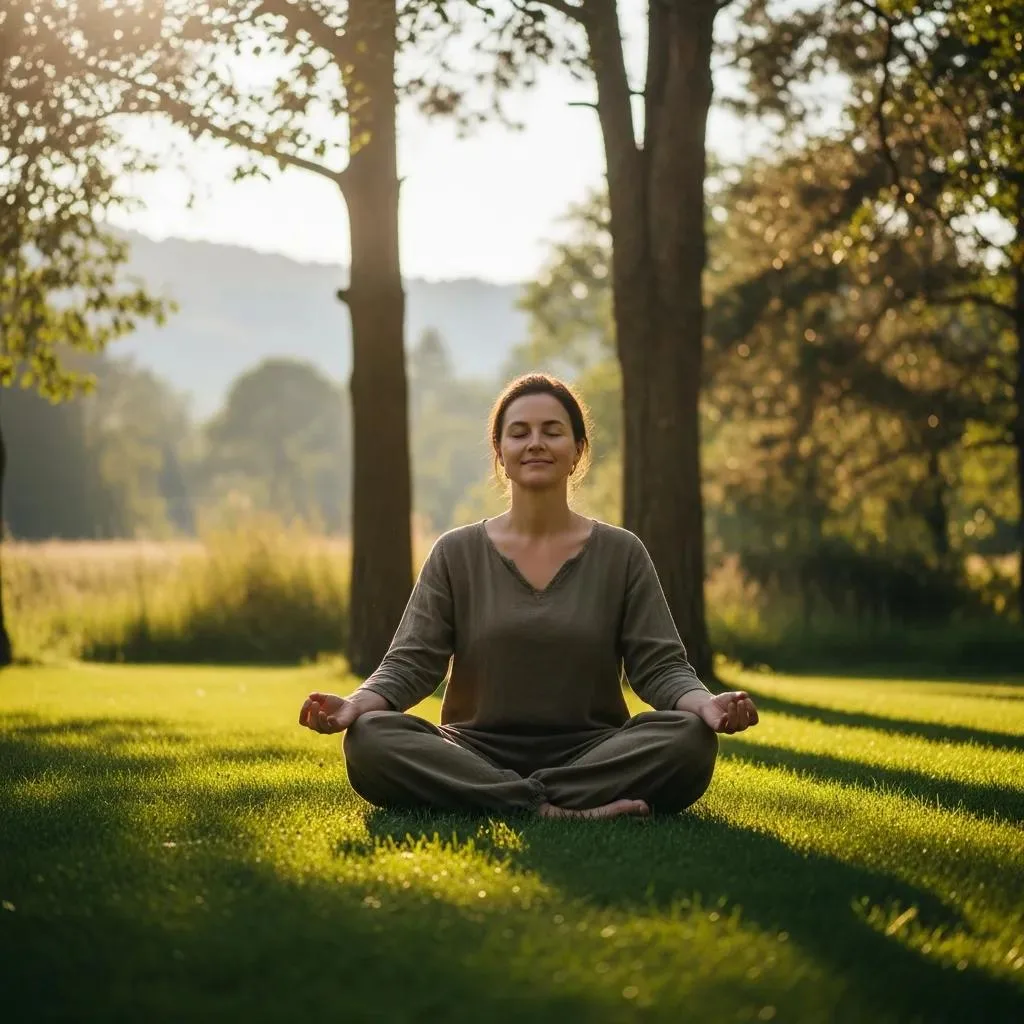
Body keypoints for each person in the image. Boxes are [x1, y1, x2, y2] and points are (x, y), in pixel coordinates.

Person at [299, 373, 759, 820]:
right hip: (473, 751)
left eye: (552, 431)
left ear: (577, 451)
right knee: (369, 737)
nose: (535, 443)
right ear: (500, 452)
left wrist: (706, 705)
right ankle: (555, 808)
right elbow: (410, 663)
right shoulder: (455, 552)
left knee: (689, 738)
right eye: (519, 433)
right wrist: (355, 705)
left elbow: (660, 667)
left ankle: (503, 799)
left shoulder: (622, 553)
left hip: (593, 752)